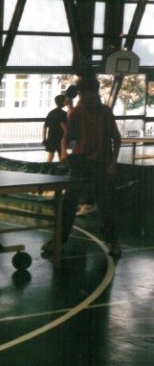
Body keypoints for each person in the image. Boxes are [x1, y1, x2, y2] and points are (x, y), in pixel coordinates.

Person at [41, 70, 122, 258]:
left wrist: (113, 163)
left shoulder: (105, 112)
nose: (84, 97)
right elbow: (68, 138)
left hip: (101, 164)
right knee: (69, 203)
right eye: (82, 94)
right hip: (81, 163)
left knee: (105, 205)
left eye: (87, 94)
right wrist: (64, 151)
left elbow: (116, 139)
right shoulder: (77, 112)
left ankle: (113, 242)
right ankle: (58, 241)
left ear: (96, 93)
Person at [42, 94, 68, 163]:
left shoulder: (51, 113)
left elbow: (45, 126)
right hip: (60, 137)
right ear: (63, 102)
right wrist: (67, 135)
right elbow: (63, 125)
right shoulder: (63, 113)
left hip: (51, 137)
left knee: (50, 155)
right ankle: (61, 170)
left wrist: (44, 139)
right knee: (61, 155)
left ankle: (47, 169)